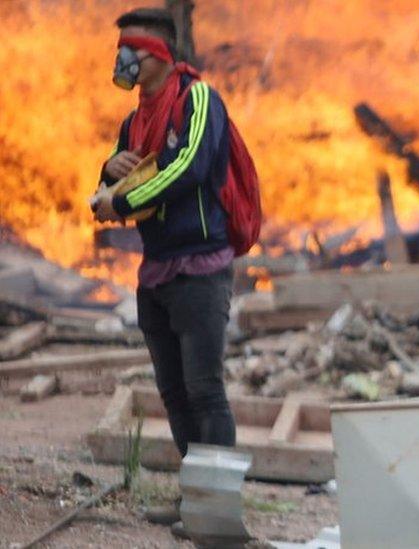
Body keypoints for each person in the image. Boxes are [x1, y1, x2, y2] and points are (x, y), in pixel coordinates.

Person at [90, 7, 236, 531]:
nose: (122, 58)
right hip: (156, 273)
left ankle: (217, 515)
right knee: (174, 393)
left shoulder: (198, 100)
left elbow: (190, 167)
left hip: (200, 270)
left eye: (130, 48)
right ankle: (194, 500)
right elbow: (107, 193)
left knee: (205, 390)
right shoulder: (134, 121)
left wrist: (119, 206)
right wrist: (107, 175)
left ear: (156, 54)